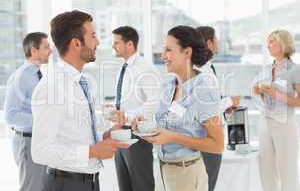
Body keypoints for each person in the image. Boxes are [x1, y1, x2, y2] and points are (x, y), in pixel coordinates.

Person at [31, 10, 128, 191]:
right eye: (93, 36)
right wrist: (92, 151)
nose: (97, 42)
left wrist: (105, 136)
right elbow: (40, 151)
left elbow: (74, 133)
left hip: (89, 181)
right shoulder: (53, 87)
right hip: (67, 184)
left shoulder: (80, 81)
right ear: (76, 43)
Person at [143, 25, 224, 191]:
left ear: (187, 52)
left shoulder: (204, 91)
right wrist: (144, 125)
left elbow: (218, 144)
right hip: (162, 171)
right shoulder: (168, 84)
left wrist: (173, 138)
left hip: (187, 174)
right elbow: (165, 124)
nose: (163, 55)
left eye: (168, 50)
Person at [111, 26, 161, 191]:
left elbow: (154, 102)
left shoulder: (145, 68)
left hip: (137, 135)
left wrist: (126, 115)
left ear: (130, 44)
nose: (113, 46)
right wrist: (112, 108)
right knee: (124, 184)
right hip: (120, 133)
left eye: (117, 43)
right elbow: (125, 100)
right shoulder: (123, 68)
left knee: (141, 185)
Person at [253, 29, 300, 191]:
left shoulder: (295, 69)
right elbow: (262, 94)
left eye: (272, 41)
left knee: (287, 169)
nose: (268, 45)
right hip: (265, 122)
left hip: (285, 124)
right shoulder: (267, 69)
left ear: (283, 43)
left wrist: (277, 94)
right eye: (268, 41)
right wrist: (258, 91)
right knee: (265, 167)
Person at [4, 32, 51, 191]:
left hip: (37, 140)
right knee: (32, 188)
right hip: (27, 141)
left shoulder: (37, 75)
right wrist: (42, 119)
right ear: (34, 50)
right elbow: (11, 115)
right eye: (46, 47)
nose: (50, 51)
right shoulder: (21, 77)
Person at [196, 26, 240, 191]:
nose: (219, 42)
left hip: (209, 134)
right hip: (208, 136)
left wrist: (224, 106)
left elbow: (209, 102)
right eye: (217, 39)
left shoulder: (206, 68)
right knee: (207, 184)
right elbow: (206, 107)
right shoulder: (202, 71)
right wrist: (229, 101)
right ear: (209, 42)